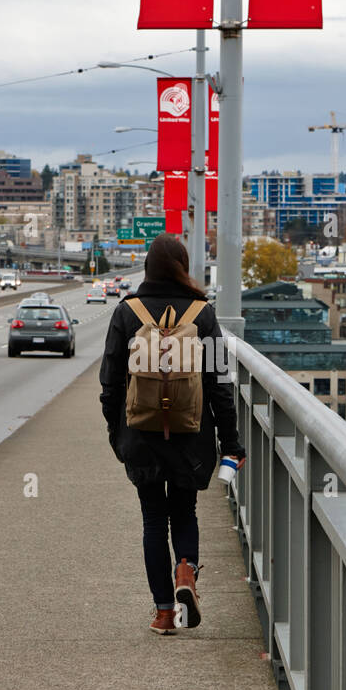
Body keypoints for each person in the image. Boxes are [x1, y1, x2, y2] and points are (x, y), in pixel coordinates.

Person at [99, 234, 245, 635]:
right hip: (191, 434)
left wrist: (118, 434)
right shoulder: (204, 314)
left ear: (148, 267)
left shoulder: (126, 312)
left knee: (152, 519)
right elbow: (219, 383)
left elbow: (110, 383)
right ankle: (186, 570)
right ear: (183, 267)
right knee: (185, 511)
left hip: (140, 434)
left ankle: (164, 614)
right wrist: (230, 442)